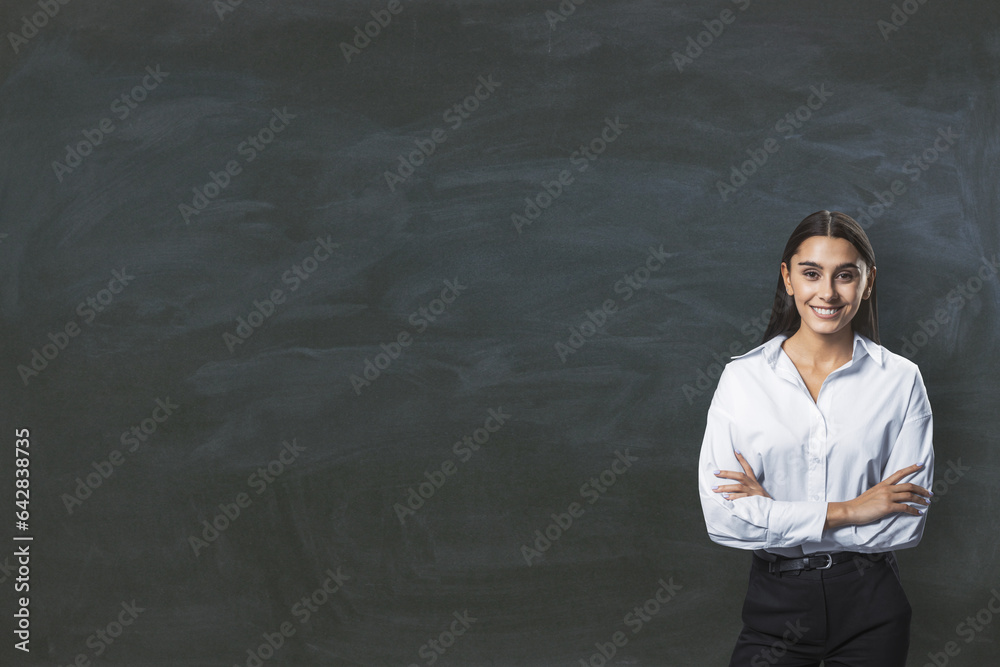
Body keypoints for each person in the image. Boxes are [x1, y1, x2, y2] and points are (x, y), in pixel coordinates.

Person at [697, 210, 935, 666]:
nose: (827, 292)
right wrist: (850, 510)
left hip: (872, 602)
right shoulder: (742, 379)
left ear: (867, 283)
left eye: (845, 275)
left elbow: (902, 524)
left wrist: (770, 512)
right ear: (788, 278)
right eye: (811, 274)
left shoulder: (902, 381)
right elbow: (725, 519)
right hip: (775, 602)